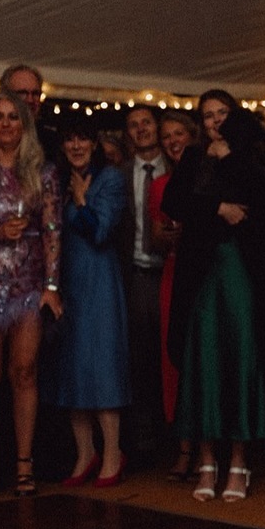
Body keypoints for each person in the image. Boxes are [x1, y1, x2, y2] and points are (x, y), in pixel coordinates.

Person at [163, 91, 265, 501]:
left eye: (221, 113)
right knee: (203, 362)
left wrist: (229, 157)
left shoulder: (254, 155)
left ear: (234, 115)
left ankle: (240, 462)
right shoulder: (193, 157)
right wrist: (218, 207)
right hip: (201, 272)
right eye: (206, 116)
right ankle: (207, 462)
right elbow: (174, 202)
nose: (213, 122)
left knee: (241, 359)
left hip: (242, 269)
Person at [0, 93, 61, 497]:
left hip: (28, 284)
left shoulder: (43, 172)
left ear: (25, 125)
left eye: (13, 118)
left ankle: (25, 463)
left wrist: (52, 287)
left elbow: (54, 231)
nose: (5, 124)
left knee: (24, 374)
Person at [42, 110, 129, 486]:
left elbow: (100, 231)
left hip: (99, 279)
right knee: (71, 370)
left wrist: (79, 203)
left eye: (83, 139)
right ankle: (85, 453)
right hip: (66, 281)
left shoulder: (109, 177)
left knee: (103, 368)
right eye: (69, 139)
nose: (76, 146)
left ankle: (112, 453)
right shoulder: (57, 178)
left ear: (94, 143)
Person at [120, 103, 169, 467]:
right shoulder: (118, 174)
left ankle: (172, 439)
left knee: (170, 357)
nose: (141, 130)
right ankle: (144, 442)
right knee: (139, 361)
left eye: (146, 123)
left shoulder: (177, 168)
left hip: (171, 272)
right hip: (134, 275)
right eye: (134, 125)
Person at [151, 109, 198, 480]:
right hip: (173, 272)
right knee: (174, 362)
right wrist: (166, 235)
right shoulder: (160, 184)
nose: (172, 141)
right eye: (166, 136)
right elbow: (155, 236)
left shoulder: (207, 174)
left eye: (178, 133)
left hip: (205, 275)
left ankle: (208, 448)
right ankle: (183, 449)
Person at [0, 63, 58, 157]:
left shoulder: (52, 141)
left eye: (35, 93)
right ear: (5, 96)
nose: (30, 100)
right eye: (22, 93)